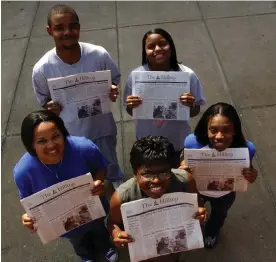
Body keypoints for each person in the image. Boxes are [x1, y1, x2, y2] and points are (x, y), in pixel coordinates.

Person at [32, 4, 124, 189]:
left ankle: (115, 180)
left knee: (110, 159)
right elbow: (44, 102)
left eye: (72, 26)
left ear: (79, 28)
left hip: (102, 126)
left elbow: (114, 78)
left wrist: (113, 89)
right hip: (72, 132)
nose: (67, 32)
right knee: (81, 167)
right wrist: (50, 108)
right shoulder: (42, 69)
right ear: (49, 31)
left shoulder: (98, 54)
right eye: (59, 28)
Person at [13, 111, 118, 262]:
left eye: (56, 136)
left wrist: (98, 182)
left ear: (63, 134)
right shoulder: (23, 172)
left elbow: (101, 168)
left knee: (100, 231)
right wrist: (27, 218)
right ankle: (86, 256)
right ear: (31, 144)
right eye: (42, 141)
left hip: (94, 211)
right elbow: (27, 201)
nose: (51, 145)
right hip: (65, 225)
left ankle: (105, 247)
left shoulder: (84, 147)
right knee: (78, 241)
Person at [107, 136, 208, 262]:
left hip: (174, 252)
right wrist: (116, 234)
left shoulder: (186, 181)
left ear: (171, 169)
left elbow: (198, 204)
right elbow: (112, 222)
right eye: (147, 174)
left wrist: (200, 213)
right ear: (135, 173)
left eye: (164, 173)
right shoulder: (121, 197)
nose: (156, 180)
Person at [124, 28, 206, 168]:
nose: (158, 49)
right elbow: (131, 111)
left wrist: (190, 105)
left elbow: (194, 111)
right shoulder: (136, 76)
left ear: (171, 46)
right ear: (145, 51)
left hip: (177, 142)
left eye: (163, 44)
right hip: (147, 142)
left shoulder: (187, 75)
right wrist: (131, 106)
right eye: (151, 46)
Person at [181, 102, 258, 248]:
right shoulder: (192, 142)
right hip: (198, 189)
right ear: (206, 130)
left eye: (227, 130)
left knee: (219, 214)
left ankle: (212, 232)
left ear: (235, 130)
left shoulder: (247, 149)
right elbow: (184, 160)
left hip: (225, 194)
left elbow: (247, 170)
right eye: (213, 130)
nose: (219, 136)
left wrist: (251, 175)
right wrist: (182, 168)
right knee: (193, 211)